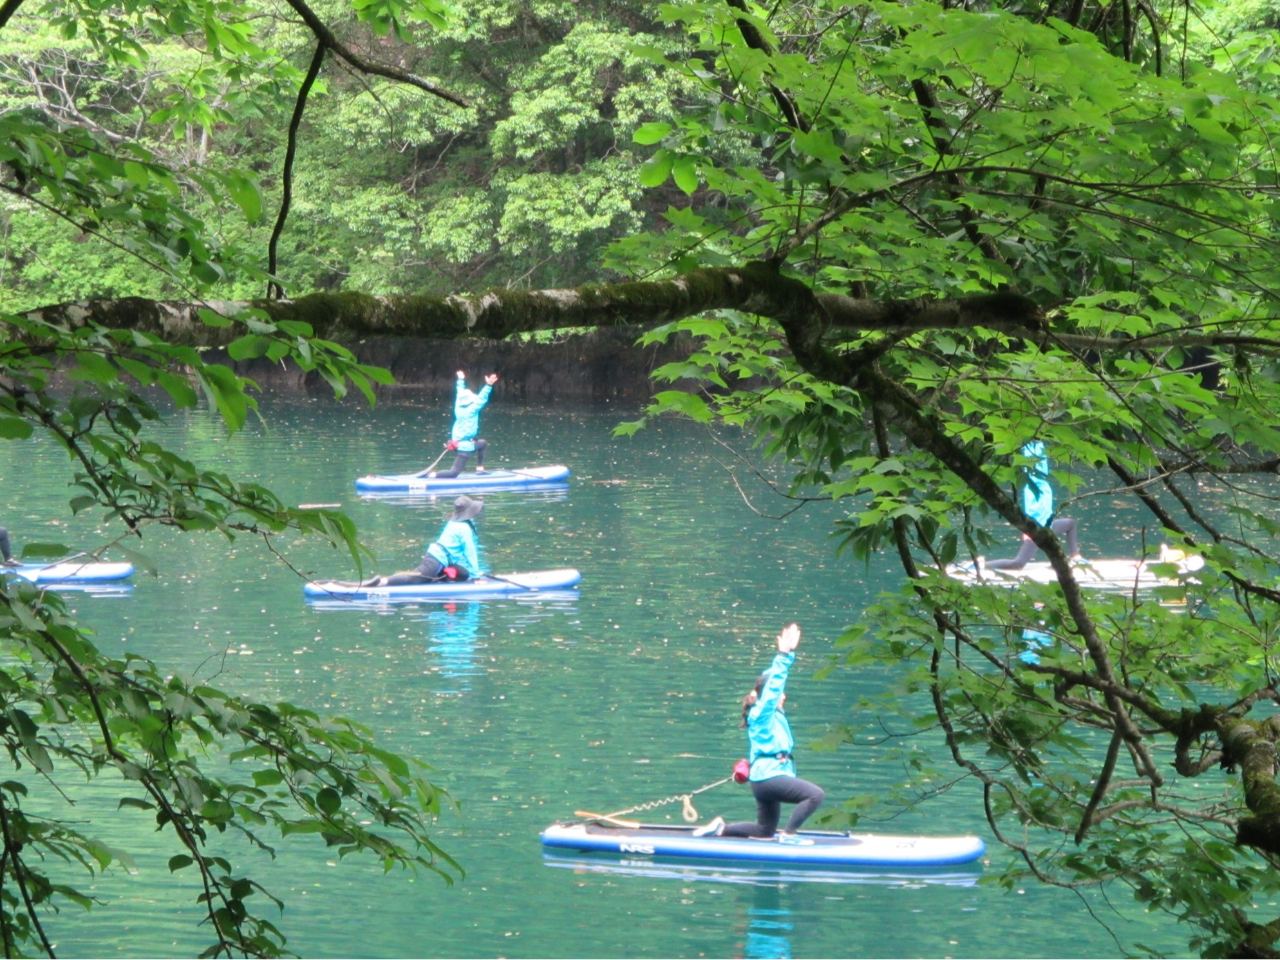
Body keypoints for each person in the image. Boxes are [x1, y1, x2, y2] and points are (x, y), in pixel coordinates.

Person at [692, 623, 825, 843]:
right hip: (770, 778)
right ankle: (789, 835)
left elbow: (768, 681)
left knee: (764, 831)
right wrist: (783, 654)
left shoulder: (765, 712)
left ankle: (720, 829)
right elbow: (772, 688)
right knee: (815, 795)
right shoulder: (764, 712)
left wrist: (787, 654)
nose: (783, 696)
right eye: (780, 694)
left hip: (763, 781)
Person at [981, 440, 1083, 572]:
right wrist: (1028, 531)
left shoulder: (1041, 483)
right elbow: (1032, 507)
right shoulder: (1035, 485)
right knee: (1018, 564)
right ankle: (981, 566)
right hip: (1036, 527)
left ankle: (1074, 556)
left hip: (1045, 525)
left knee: (1070, 524)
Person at [366, 496, 486, 586]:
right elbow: (470, 552)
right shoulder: (464, 528)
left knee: (463, 574)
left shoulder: (454, 522)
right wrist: (476, 578)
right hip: (436, 559)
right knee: (414, 579)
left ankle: (437, 577)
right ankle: (382, 581)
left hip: (444, 561)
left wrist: (474, 573)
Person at [422, 370, 499, 478]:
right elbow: (482, 398)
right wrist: (489, 385)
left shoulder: (458, 406)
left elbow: (459, 391)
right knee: (453, 473)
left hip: (457, 442)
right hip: (464, 446)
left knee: (482, 443)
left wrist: (460, 380)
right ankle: (431, 475)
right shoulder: (472, 409)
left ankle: (480, 469)